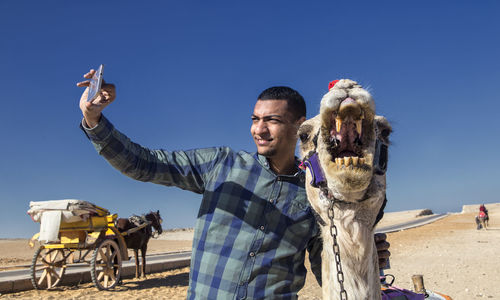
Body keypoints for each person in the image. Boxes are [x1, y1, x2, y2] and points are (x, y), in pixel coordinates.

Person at [77, 69, 390, 299]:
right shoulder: (220, 165)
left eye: (272, 121)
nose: (259, 129)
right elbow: (143, 163)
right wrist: (94, 120)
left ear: (299, 127)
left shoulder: (314, 194)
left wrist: (361, 252)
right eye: (255, 119)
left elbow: (330, 270)